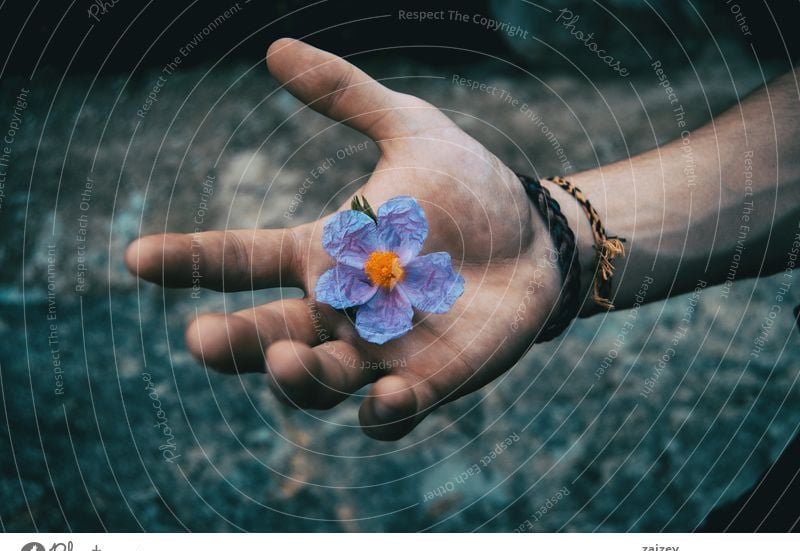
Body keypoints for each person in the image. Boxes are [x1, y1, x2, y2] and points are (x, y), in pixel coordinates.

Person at [125, 39, 799, 448]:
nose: (385, 265)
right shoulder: (361, 269)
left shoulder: (416, 267)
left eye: (388, 261)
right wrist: (556, 236)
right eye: (378, 262)